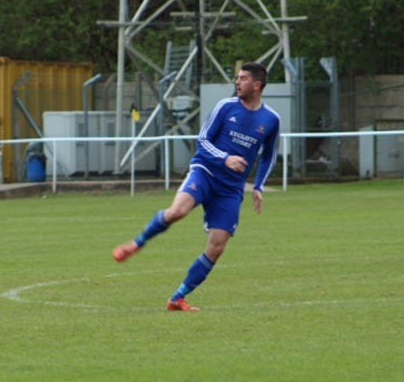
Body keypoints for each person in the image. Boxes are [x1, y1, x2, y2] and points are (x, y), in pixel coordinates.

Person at [113, 62, 280, 312]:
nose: (237, 82)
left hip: (231, 188)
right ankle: (136, 244)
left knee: (217, 246)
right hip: (205, 172)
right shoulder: (226, 107)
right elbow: (202, 140)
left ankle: (178, 298)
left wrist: (259, 185)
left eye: (243, 78)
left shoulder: (271, 119)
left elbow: (269, 154)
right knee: (177, 211)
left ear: (257, 85)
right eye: (238, 77)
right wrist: (225, 158)